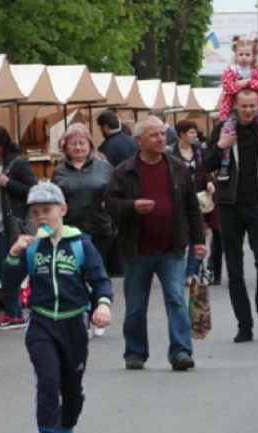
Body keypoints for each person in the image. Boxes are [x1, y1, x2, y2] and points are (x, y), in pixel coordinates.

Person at [4, 183, 113, 433]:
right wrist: (13, 254)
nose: (41, 217)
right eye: (35, 212)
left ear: (63, 209)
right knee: (48, 381)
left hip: (74, 322)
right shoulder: (31, 248)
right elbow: (10, 284)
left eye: (47, 210)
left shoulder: (80, 244)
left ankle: (65, 427)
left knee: (72, 389)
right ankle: (48, 430)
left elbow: (100, 279)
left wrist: (103, 305)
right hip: (41, 323)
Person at [105, 116, 206, 371]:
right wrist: (132, 206)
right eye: (154, 135)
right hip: (137, 249)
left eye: (162, 134)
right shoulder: (124, 171)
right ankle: (135, 353)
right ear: (139, 140)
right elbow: (111, 205)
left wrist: (198, 241)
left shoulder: (177, 167)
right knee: (136, 305)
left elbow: (192, 206)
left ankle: (181, 352)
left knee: (176, 299)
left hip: (172, 248)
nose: (161, 139)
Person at [204, 88, 258, 343]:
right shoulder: (223, 130)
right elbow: (207, 165)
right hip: (230, 206)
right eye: (244, 106)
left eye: (253, 106)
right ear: (235, 106)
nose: (249, 111)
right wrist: (221, 147)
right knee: (235, 269)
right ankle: (245, 324)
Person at [52, 123, 114, 337]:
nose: (78, 148)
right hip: (71, 230)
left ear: (90, 145)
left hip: (99, 228)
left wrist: (110, 203)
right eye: (73, 144)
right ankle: (83, 316)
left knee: (98, 274)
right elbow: (55, 200)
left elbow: (114, 192)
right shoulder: (59, 171)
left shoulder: (104, 167)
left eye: (82, 143)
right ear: (65, 148)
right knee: (75, 275)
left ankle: (100, 314)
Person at [0, 125, 38, 329]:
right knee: (1, 269)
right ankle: (11, 310)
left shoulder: (18, 165)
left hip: (10, 225)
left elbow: (33, 190)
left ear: (1, 145)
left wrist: (9, 184)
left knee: (9, 270)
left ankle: (14, 312)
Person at [218, 36, 258, 182]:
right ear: (235, 55)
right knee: (227, 131)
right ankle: (224, 164)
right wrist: (247, 84)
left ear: (253, 55)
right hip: (233, 109)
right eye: (241, 54)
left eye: (247, 54)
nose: (244, 58)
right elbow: (228, 88)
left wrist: (244, 82)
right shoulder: (230, 71)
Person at [171, 120, 214, 283]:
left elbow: (206, 169)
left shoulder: (199, 151)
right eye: (191, 132)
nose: (194, 136)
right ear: (182, 134)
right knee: (181, 235)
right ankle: (178, 271)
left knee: (198, 234)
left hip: (200, 198)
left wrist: (209, 181)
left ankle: (191, 273)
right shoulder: (171, 153)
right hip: (179, 198)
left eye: (195, 132)